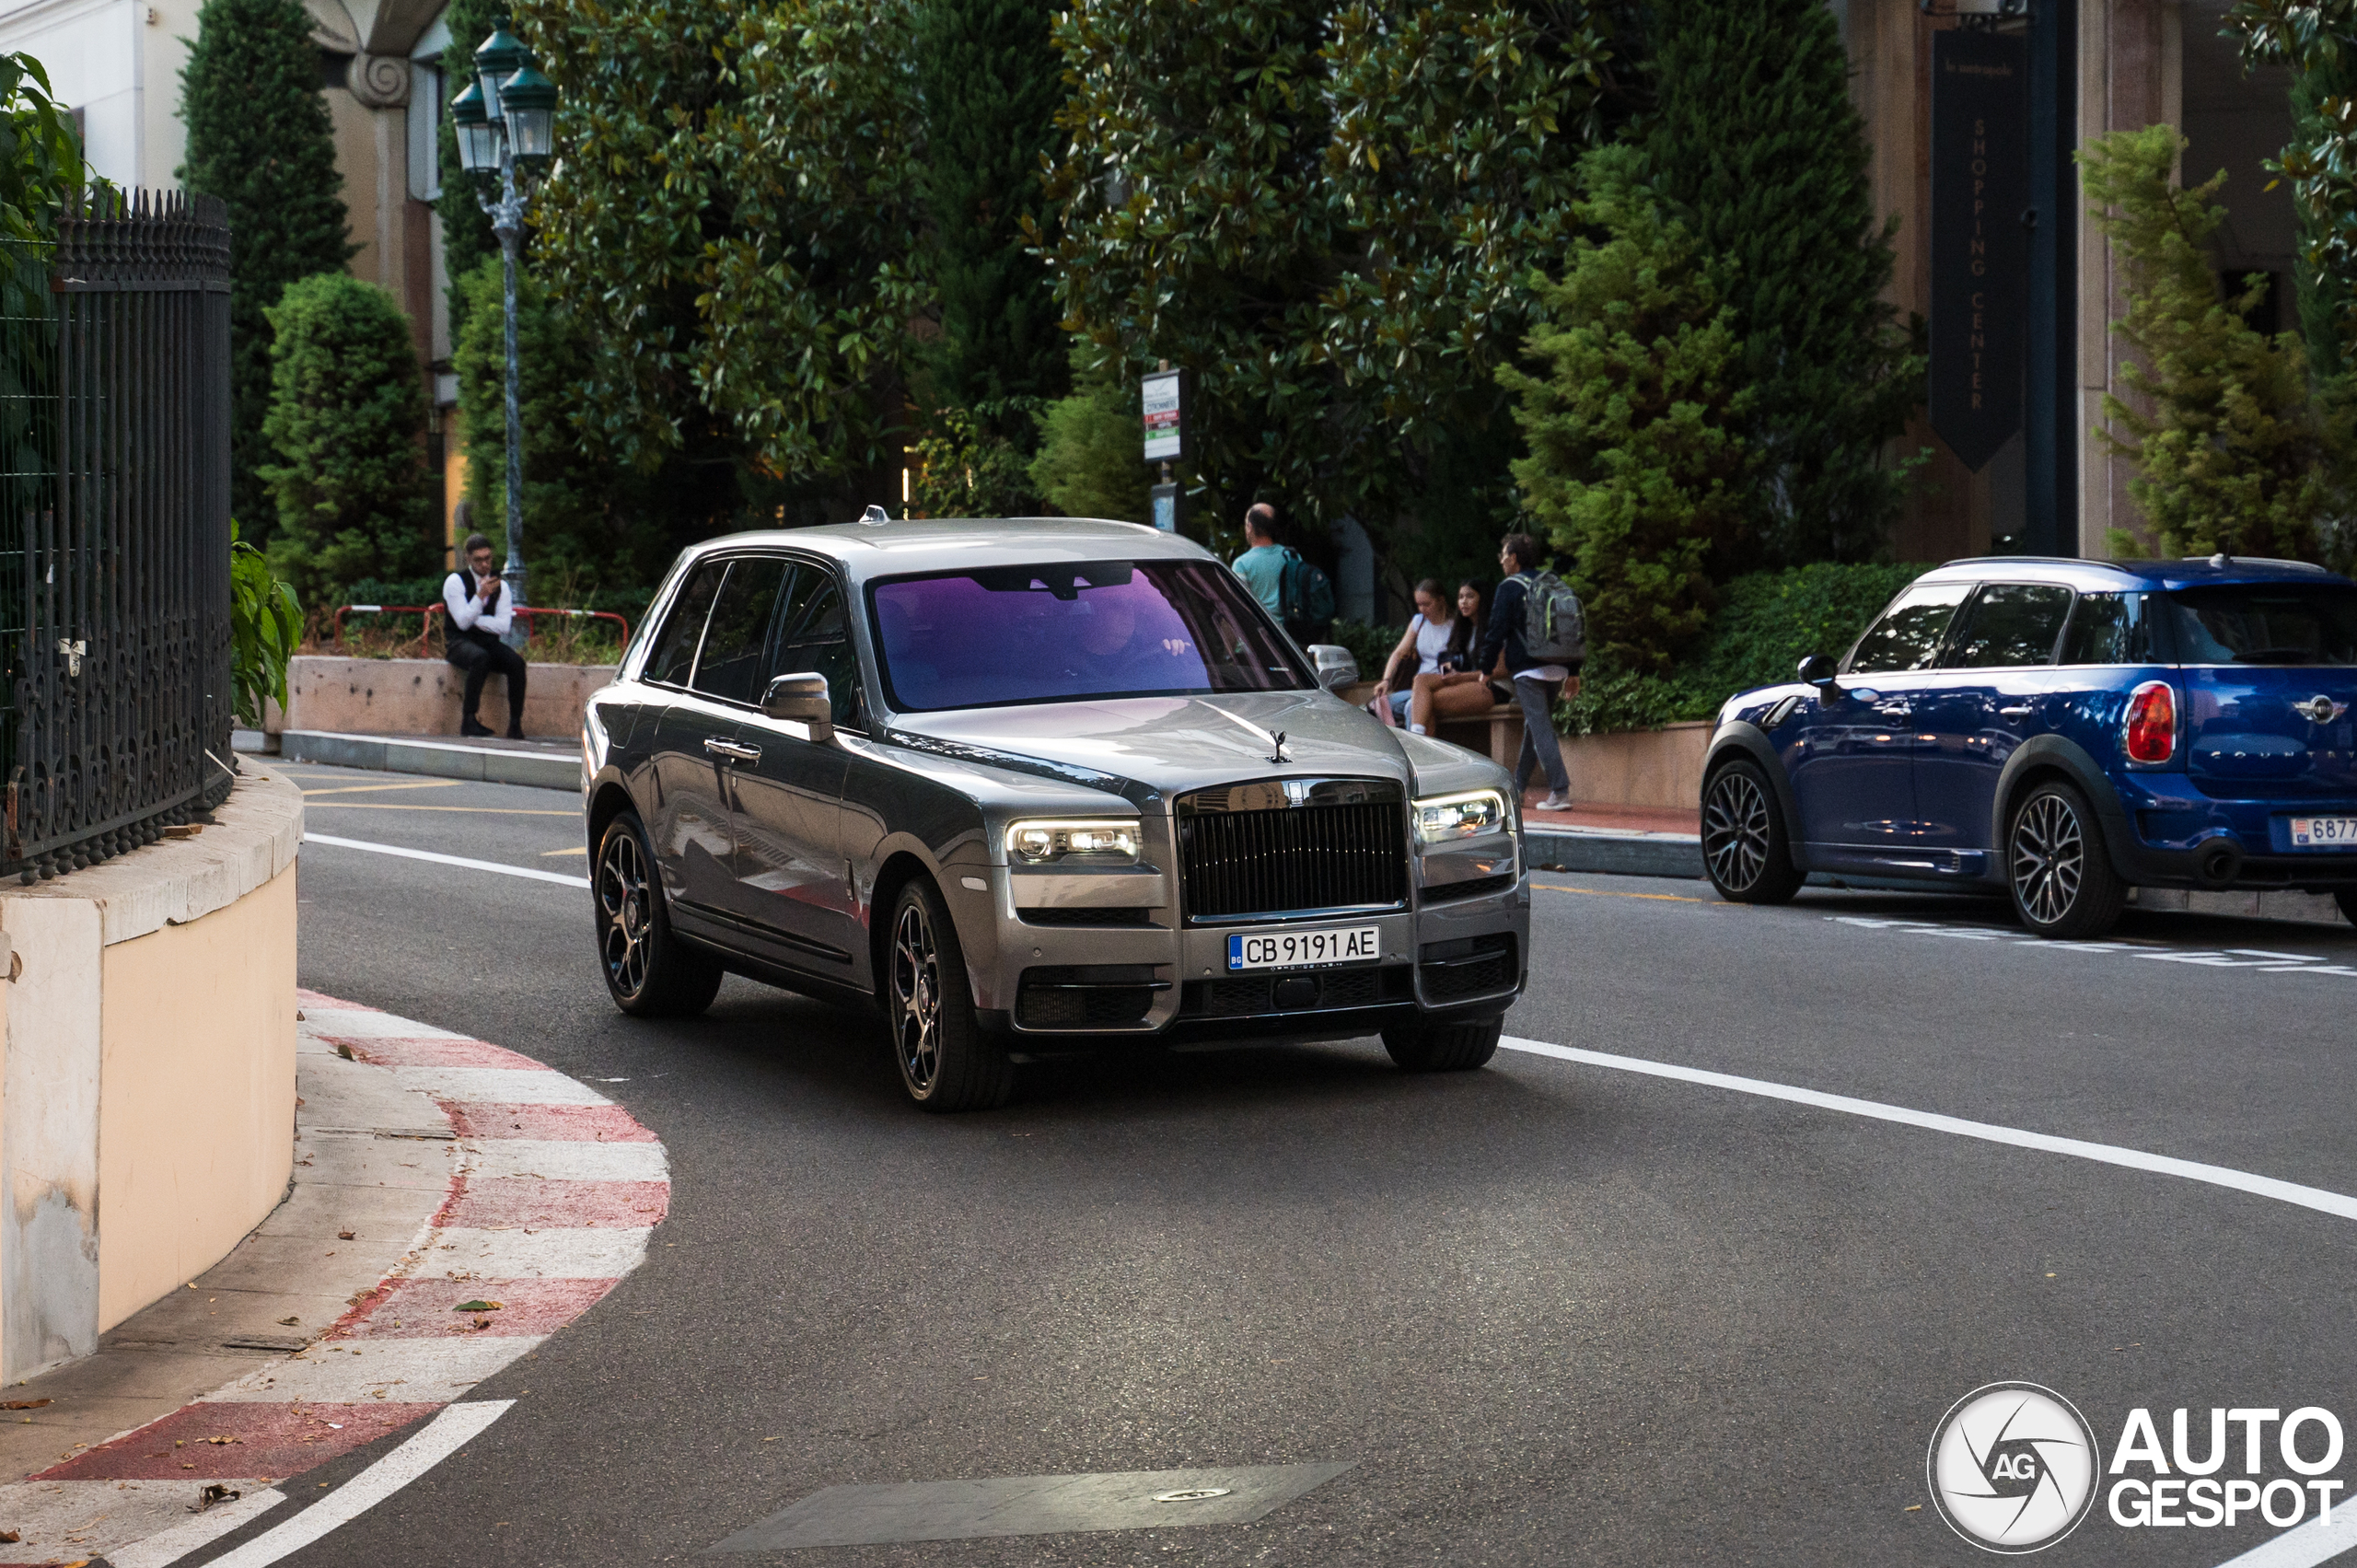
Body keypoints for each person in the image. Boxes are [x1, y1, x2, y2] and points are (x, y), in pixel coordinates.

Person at [1472, 534, 1573, 810]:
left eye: (1504, 555)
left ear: (1514, 558)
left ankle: (1560, 791)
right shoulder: (1553, 583)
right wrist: (1573, 670)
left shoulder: (1509, 588)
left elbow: (1496, 632)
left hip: (1528, 670)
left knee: (1540, 728)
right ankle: (1517, 788)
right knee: (1534, 726)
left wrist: (1486, 667)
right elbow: (1571, 626)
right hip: (1556, 666)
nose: (1502, 560)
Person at [443, 532, 528, 738]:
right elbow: (461, 624)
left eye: (488, 558)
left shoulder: (502, 587)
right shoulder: (455, 582)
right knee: (480, 658)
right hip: (458, 642)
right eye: (479, 560)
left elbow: (503, 625)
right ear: (469, 558)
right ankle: (469, 720)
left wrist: (473, 619)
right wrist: (480, 597)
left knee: (516, 663)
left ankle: (515, 724)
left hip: (487, 642)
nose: (485, 564)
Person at [1408, 579, 1498, 735]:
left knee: (1424, 703)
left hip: (1491, 686)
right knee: (1421, 680)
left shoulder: (1494, 627)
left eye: (1470, 596)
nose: (1464, 602)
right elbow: (1449, 659)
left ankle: (1419, 744)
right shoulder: (1462, 627)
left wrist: (1461, 677)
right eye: (1460, 597)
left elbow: (1500, 670)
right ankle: (1418, 738)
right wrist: (1448, 673)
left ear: (1482, 599)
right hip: (1464, 681)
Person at [1369, 579, 1457, 726]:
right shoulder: (1419, 622)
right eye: (1419, 605)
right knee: (1377, 705)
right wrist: (1386, 680)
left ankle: (1414, 743)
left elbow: (1453, 663)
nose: (1422, 609)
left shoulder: (1453, 626)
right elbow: (1398, 653)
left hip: (1440, 683)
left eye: (1427, 604)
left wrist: (1444, 678)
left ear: (1440, 600)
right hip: (1418, 685)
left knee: (1412, 706)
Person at [1229, 503, 1290, 625]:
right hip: (1291, 633)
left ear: (1250, 527)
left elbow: (1237, 606)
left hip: (1261, 632)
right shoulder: (1290, 556)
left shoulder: (1241, 564)